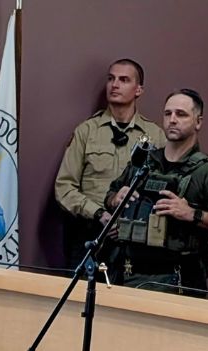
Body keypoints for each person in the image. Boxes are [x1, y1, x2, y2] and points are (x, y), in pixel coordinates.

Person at [104, 88, 208, 294]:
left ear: (198, 122)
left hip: (177, 280)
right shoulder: (144, 163)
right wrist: (116, 199)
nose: (172, 119)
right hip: (126, 274)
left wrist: (192, 214)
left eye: (181, 114)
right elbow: (109, 196)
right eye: (167, 113)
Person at [54, 59, 165, 267]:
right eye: (111, 79)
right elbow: (64, 187)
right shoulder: (87, 131)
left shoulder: (155, 136)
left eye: (123, 80)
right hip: (90, 232)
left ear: (138, 89)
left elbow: (161, 187)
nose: (115, 85)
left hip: (135, 239)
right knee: (81, 298)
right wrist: (99, 214)